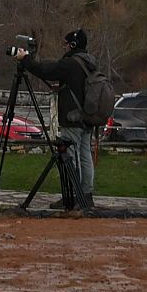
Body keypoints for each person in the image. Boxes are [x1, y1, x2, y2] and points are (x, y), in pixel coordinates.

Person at [16, 29, 109, 211]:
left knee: (71, 157)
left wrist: (26, 60)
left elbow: (46, 70)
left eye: (66, 44)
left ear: (73, 44)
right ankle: (86, 196)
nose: (64, 47)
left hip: (72, 117)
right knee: (85, 157)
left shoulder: (71, 64)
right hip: (87, 118)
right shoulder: (89, 63)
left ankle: (74, 198)